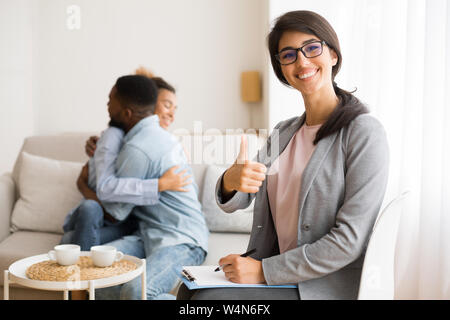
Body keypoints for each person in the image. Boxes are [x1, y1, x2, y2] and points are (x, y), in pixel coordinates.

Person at [177, 10, 389, 300]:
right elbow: (239, 200)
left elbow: (349, 241)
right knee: (187, 293)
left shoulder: (364, 132)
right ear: (282, 70)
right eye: (288, 55)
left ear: (333, 55)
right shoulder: (283, 131)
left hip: (320, 284)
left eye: (312, 48)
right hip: (276, 273)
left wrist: (263, 271)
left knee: (207, 301)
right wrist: (231, 179)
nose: (301, 61)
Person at [90, 74, 208, 300]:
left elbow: (116, 211)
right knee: (96, 279)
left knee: (137, 291)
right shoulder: (143, 138)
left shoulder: (139, 148)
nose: (107, 105)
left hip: (181, 239)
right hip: (148, 234)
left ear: (127, 111)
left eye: (110, 99)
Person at [60, 71, 189, 252]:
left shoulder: (167, 146)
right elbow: (106, 186)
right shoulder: (121, 138)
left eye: (175, 109)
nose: (171, 115)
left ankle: (80, 272)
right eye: (167, 105)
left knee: (69, 241)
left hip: (134, 223)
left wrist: (84, 186)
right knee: (82, 223)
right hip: (113, 216)